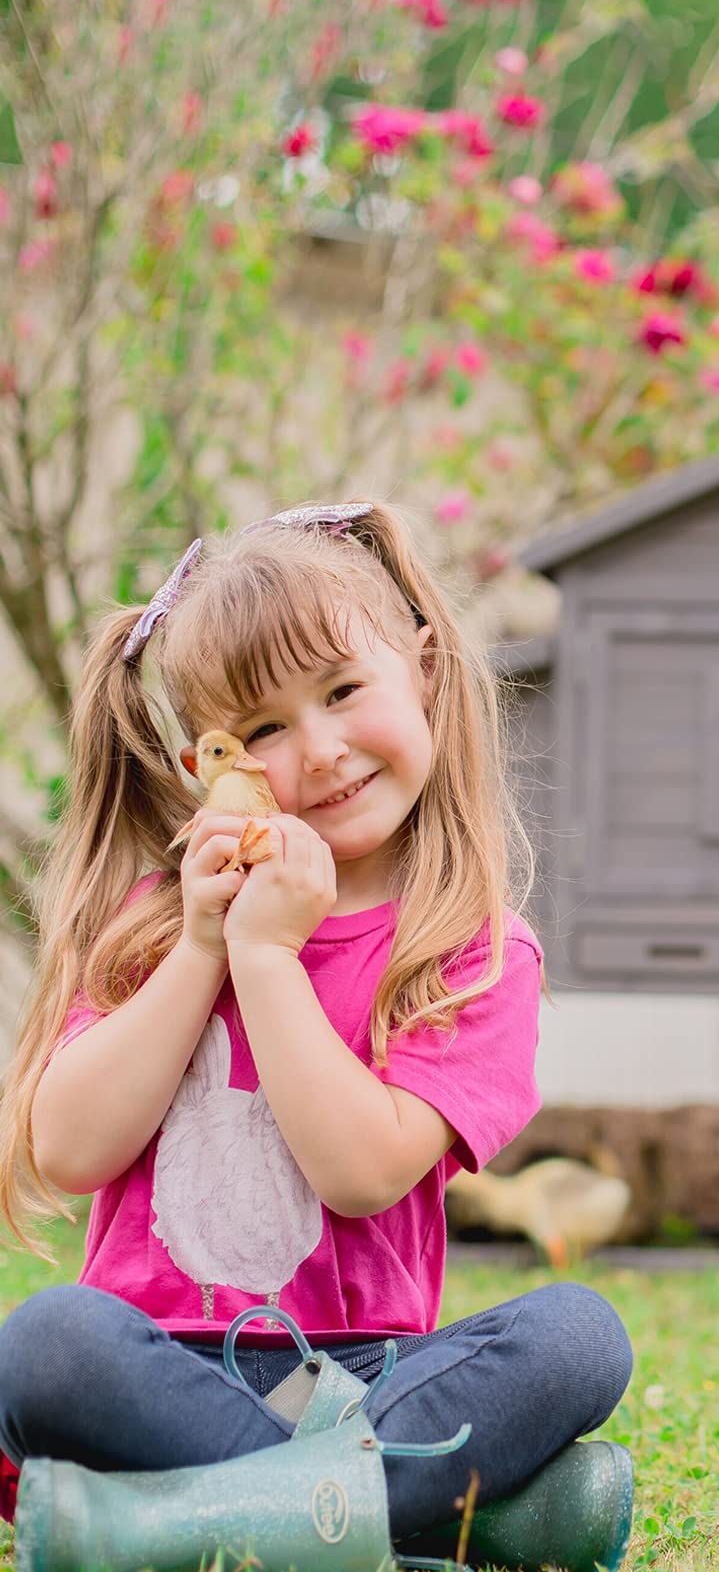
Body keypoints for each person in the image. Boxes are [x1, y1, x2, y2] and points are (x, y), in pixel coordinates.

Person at [0, 501, 634, 1564]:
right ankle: (442, 1519)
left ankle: (160, 1526)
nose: (323, 748)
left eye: (343, 691)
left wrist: (269, 960)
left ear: (424, 670)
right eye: (263, 730)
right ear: (216, 763)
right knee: (52, 1341)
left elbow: (361, 1171)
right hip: (158, 1369)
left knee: (577, 1336)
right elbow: (69, 1150)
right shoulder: (162, 921)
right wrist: (206, 946)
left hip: (359, 1380)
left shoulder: (471, 950)